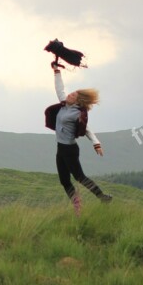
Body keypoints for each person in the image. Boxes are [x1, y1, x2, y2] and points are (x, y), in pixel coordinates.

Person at [50, 60, 112, 215]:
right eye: (71, 93)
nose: (69, 95)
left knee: (79, 177)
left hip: (70, 149)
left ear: (78, 101)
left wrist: (96, 143)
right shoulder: (65, 105)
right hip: (60, 148)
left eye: (73, 95)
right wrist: (56, 71)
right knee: (64, 181)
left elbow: (87, 130)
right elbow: (60, 89)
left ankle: (102, 196)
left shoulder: (78, 113)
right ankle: (77, 205)